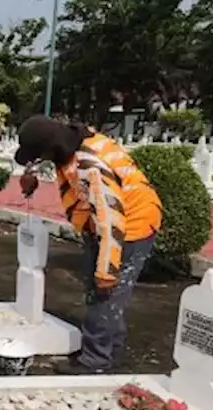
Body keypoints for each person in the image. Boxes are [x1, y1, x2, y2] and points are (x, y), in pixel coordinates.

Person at [13, 115, 163, 374]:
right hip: (100, 220)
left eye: (38, 155)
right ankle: (110, 348)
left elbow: (111, 221)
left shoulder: (90, 166)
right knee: (100, 291)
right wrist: (31, 176)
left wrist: (107, 269)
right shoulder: (71, 143)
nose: (38, 159)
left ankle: (95, 363)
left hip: (130, 225)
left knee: (105, 292)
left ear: (51, 148)